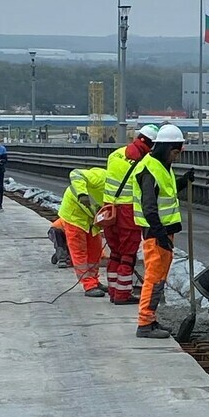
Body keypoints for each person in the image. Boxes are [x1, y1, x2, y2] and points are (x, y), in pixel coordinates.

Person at [132, 124, 193, 338]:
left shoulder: (162, 166)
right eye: (175, 152)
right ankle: (145, 323)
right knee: (154, 278)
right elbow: (149, 207)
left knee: (159, 278)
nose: (176, 157)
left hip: (164, 232)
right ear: (166, 148)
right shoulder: (149, 169)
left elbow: (166, 191)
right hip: (156, 234)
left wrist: (183, 182)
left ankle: (151, 319)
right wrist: (160, 237)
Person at [103, 124, 158, 304]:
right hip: (128, 212)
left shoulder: (115, 154)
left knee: (115, 253)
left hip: (109, 210)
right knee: (128, 255)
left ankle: (113, 291)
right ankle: (122, 295)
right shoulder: (145, 162)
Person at [57, 166, 110, 297]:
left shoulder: (122, 190)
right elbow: (76, 174)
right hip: (75, 217)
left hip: (91, 218)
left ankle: (94, 280)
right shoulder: (100, 176)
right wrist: (82, 194)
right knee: (80, 252)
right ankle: (88, 285)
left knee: (95, 250)